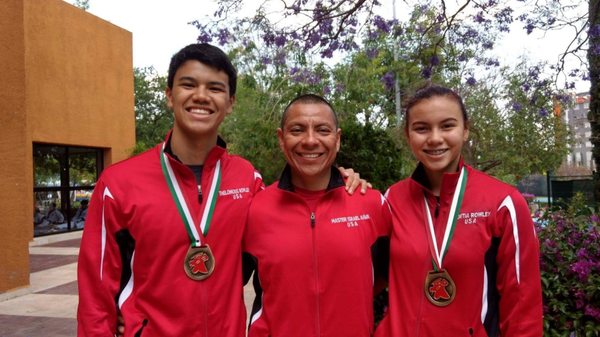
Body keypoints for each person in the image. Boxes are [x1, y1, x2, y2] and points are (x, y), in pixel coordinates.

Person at [77, 43, 366, 337]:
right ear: (169, 95)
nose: (201, 96)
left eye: (214, 88)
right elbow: (94, 295)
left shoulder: (247, 179)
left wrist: (338, 181)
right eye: (188, 84)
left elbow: (295, 227)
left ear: (230, 103)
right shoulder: (119, 184)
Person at [375, 84, 543, 336]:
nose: (434, 138)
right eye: (421, 128)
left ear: (465, 130)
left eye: (447, 126)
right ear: (408, 136)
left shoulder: (503, 203)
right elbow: (364, 277)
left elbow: (522, 305)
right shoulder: (391, 199)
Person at [243, 94, 391, 337]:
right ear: (281, 139)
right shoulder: (255, 209)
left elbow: (389, 279)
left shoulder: (372, 204)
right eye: (297, 130)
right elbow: (224, 283)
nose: (310, 141)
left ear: (338, 139)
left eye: (322, 130)